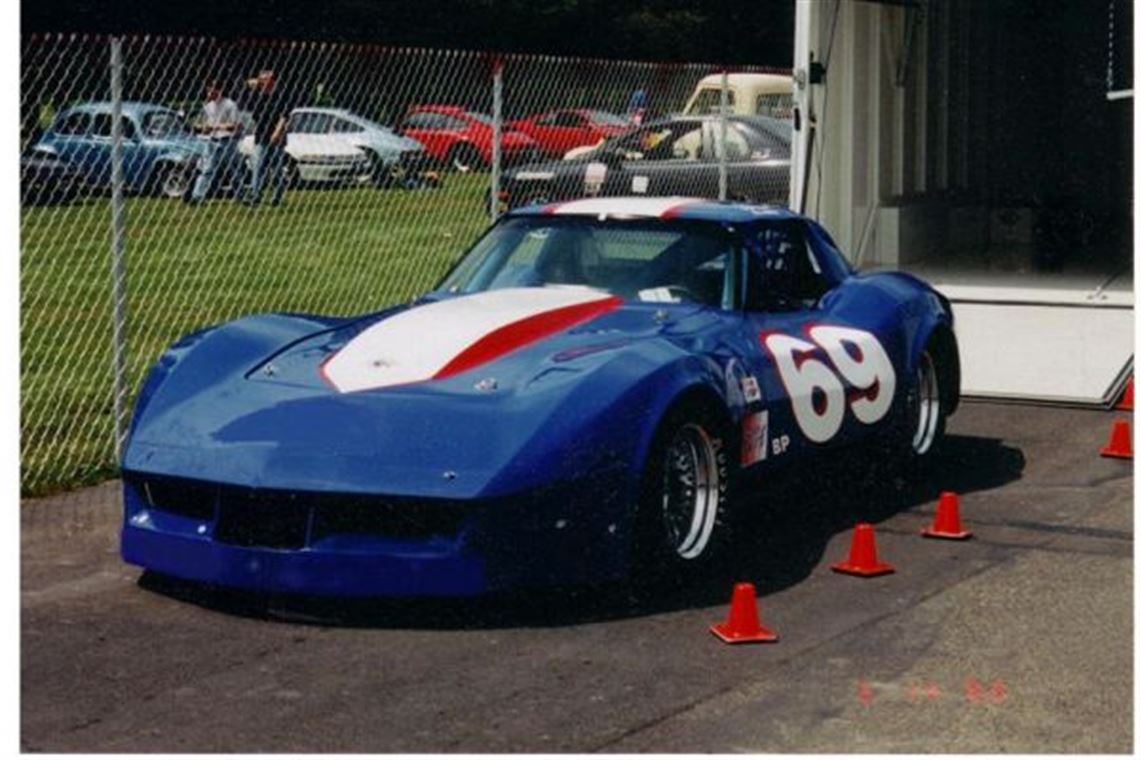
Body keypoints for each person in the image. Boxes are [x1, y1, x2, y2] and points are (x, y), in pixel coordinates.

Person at [239, 69, 292, 207]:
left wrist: (277, 132)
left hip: (276, 136)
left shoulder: (281, 95)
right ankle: (255, 196)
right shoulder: (257, 95)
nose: (262, 82)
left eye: (265, 79)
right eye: (260, 79)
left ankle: (277, 196)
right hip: (261, 136)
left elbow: (285, 116)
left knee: (276, 170)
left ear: (272, 80)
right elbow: (244, 102)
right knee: (258, 165)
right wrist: (247, 85)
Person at [187, 82, 242, 203]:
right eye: (208, 91)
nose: (210, 93)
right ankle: (197, 196)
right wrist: (203, 127)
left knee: (234, 170)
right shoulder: (208, 106)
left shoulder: (230, 104)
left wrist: (216, 127)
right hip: (212, 140)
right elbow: (207, 124)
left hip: (228, 141)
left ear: (220, 90)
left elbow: (236, 125)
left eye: (212, 90)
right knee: (207, 169)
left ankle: (240, 195)